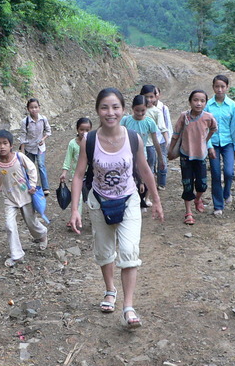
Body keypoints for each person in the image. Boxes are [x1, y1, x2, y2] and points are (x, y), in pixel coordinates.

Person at [68, 88, 164, 329]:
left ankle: (128, 307)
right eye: (104, 107)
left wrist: (156, 200)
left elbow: (144, 170)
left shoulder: (133, 138)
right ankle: (110, 290)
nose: (110, 113)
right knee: (104, 251)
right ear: (98, 110)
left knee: (130, 251)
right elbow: (79, 175)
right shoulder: (89, 140)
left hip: (129, 199)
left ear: (123, 110)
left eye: (115, 107)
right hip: (99, 201)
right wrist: (75, 210)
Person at [0, 129, 48, 267]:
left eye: (5, 143)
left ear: (11, 145)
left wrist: (33, 185)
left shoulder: (19, 157)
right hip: (9, 198)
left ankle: (42, 234)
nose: (2, 147)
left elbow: (32, 169)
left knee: (31, 222)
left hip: (25, 195)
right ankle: (17, 255)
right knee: (10, 226)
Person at [169, 90, 217, 225]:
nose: (199, 103)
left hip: (201, 156)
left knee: (202, 185)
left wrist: (205, 141)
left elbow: (213, 129)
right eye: (195, 100)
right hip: (185, 155)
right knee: (187, 184)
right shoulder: (184, 116)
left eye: (202, 101)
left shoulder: (208, 117)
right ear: (190, 102)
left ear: (206, 103)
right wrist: (171, 150)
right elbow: (176, 134)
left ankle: (198, 199)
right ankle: (188, 212)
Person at [205, 75, 235, 216]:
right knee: (215, 174)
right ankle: (218, 205)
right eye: (217, 86)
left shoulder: (233, 106)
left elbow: (234, 127)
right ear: (213, 87)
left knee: (228, 172)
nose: (220, 89)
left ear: (227, 87)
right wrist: (208, 146)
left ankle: (227, 193)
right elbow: (205, 128)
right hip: (213, 143)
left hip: (228, 143)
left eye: (222, 86)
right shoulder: (208, 105)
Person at [120, 95, 164, 210]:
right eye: (137, 110)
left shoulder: (149, 122)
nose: (140, 113)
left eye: (143, 111)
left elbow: (155, 141)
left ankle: (146, 198)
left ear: (147, 108)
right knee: (129, 176)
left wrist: (160, 158)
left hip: (142, 153)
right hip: (127, 153)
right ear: (132, 108)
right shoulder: (126, 120)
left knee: (148, 175)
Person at [139, 85, 169, 205]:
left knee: (149, 171)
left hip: (150, 146)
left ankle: (147, 197)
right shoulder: (139, 110)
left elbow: (163, 127)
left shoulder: (157, 112)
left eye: (151, 97)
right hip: (137, 145)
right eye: (146, 97)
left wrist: (167, 141)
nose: (149, 100)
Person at [59, 117, 93, 218]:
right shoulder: (72, 144)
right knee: (77, 198)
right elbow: (68, 159)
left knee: (92, 197)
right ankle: (76, 218)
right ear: (77, 129)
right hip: (76, 175)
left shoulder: (92, 142)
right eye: (81, 129)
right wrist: (64, 172)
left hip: (91, 176)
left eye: (87, 130)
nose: (84, 132)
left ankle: (95, 219)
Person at [19, 98, 52, 196]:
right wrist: (22, 152)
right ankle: (31, 187)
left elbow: (48, 131)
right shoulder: (25, 122)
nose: (34, 109)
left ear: (39, 108)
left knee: (41, 165)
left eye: (36, 107)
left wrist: (43, 139)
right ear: (28, 109)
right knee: (30, 168)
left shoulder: (43, 119)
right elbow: (22, 137)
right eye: (31, 107)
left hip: (40, 148)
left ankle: (45, 188)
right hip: (29, 148)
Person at [154, 86, 172, 191]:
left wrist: (168, 140)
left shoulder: (163, 108)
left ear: (159, 94)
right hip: (150, 140)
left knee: (162, 161)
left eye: (156, 94)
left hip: (161, 139)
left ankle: (161, 182)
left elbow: (168, 124)